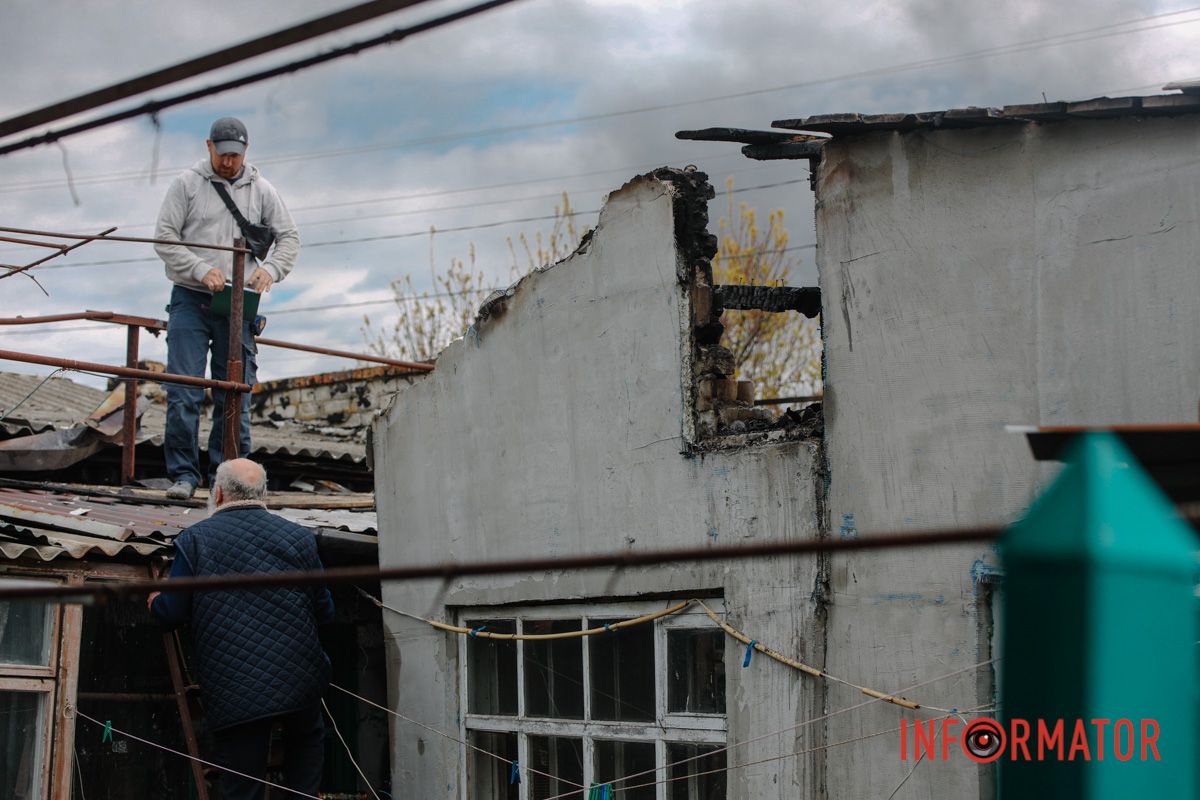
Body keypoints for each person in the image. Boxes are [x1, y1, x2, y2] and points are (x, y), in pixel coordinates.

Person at [149, 458, 333, 799]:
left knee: (242, 787)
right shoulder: (299, 538)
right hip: (301, 682)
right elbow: (326, 611)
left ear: (218, 494)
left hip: (236, 690)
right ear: (264, 494)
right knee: (305, 773)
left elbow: (171, 613)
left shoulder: (196, 540)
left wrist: (154, 601)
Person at [155, 116, 300, 500]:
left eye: (235, 155)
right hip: (190, 296)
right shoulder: (186, 184)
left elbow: (289, 238)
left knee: (235, 393)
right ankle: (184, 477)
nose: (229, 161)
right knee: (184, 388)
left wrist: (271, 269)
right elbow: (164, 238)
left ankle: (227, 482)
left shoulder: (263, 191)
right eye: (222, 154)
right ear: (209, 147)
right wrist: (200, 269)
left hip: (238, 302)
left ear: (246, 151)